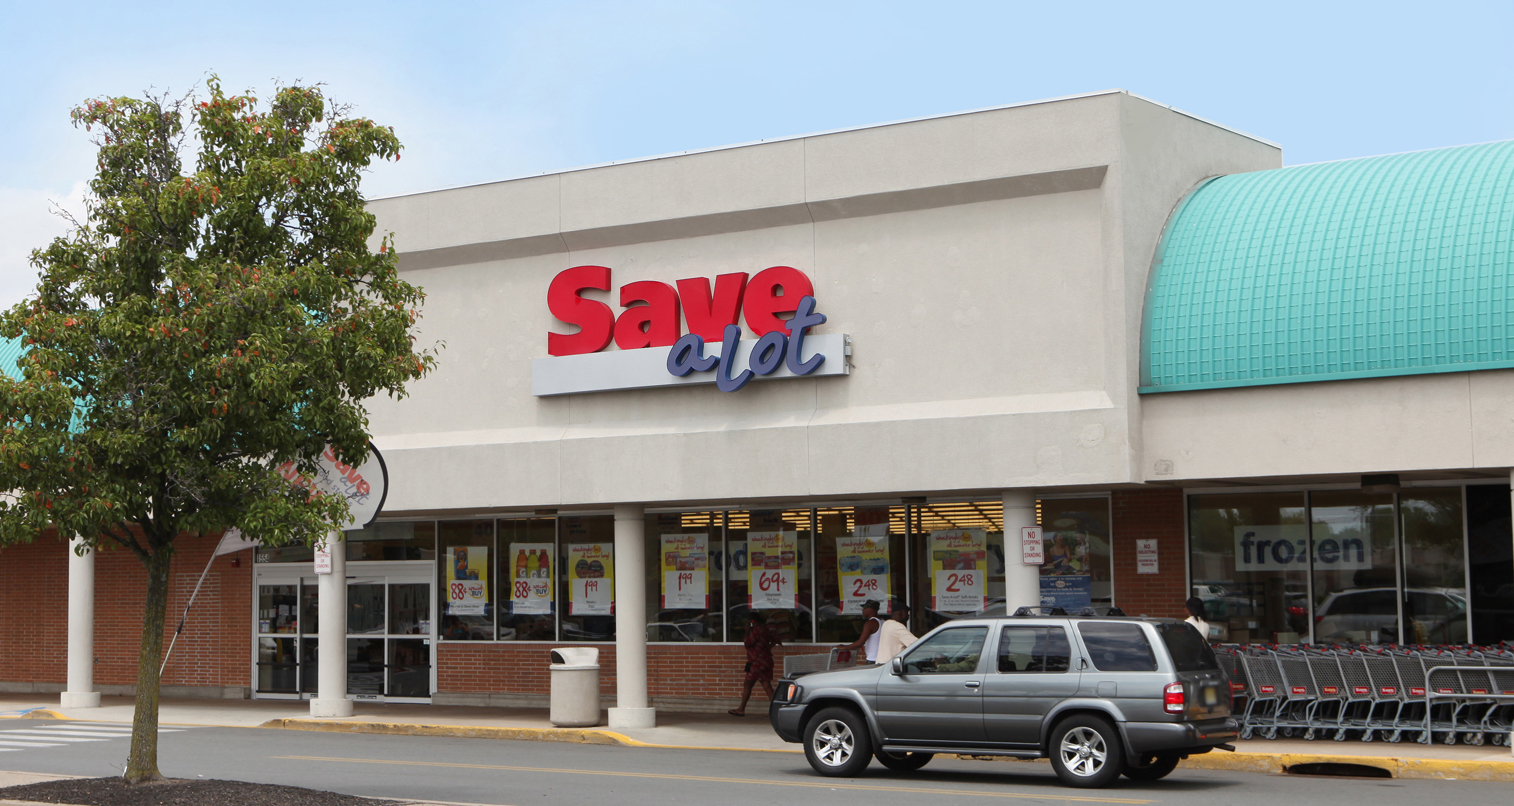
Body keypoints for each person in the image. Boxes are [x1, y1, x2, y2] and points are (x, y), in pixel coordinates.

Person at [729, 612, 780, 716]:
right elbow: (775, 640)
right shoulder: (766, 629)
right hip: (766, 660)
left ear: (752, 621)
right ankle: (775, 710)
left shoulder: (756, 630)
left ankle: (741, 709)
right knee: (766, 685)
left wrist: (747, 631)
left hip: (756, 662)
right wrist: (766, 649)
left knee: (747, 684)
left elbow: (748, 643)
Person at [837, 600, 884, 664]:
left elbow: (860, 643)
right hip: (882, 659)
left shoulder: (870, 623)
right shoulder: (883, 621)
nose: (863, 610)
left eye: (865, 608)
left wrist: (845, 647)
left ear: (871, 609)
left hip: (873, 659)